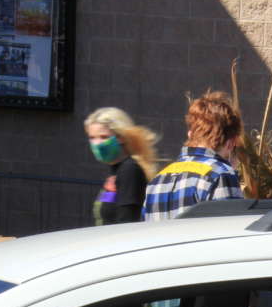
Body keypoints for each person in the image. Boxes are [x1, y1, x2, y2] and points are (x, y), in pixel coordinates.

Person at [140, 91, 244, 221]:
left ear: (190, 134)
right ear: (231, 142)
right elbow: (231, 231)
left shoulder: (157, 180)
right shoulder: (221, 174)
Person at [84, 107, 159, 225]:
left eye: (104, 137)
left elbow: (127, 221)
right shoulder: (117, 170)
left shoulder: (130, 170)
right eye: (92, 138)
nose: (97, 143)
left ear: (121, 137)